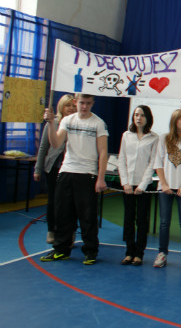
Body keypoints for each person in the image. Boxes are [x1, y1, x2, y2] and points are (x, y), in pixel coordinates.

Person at [40, 94, 108, 265]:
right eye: (82, 103)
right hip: (66, 171)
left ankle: (90, 251)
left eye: (88, 103)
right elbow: (56, 143)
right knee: (62, 214)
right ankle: (61, 250)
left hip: (88, 174)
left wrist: (100, 178)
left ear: (93, 103)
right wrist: (51, 123)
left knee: (87, 216)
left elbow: (103, 153)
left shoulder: (98, 123)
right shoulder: (67, 120)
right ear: (76, 102)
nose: (84, 106)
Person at [153, 109, 181, 269]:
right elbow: (158, 164)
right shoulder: (164, 139)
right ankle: (162, 253)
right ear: (175, 121)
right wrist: (164, 184)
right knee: (164, 222)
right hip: (165, 188)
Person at [118, 105, 159, 266]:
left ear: (148, 118)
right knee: (128, 218)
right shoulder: (126, 135)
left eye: (142, 115)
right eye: (136, 115)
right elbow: (122, 159)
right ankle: (129, 252)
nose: (139, 118)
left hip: (144, 187)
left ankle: (139, 253)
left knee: (142, 220)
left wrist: (142, 185)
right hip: (128, 185)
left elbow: (152, 163)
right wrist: (125, 182)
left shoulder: (154, 138)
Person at [33, 94, 76, 244]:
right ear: (61, 107)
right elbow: (43, 147)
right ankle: (51, 230)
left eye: (73, 105)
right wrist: (37, 169)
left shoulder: (78, 124)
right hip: (53, 167)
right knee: (54, 200)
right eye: (67, 105)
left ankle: (70, 231)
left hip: (71, 167)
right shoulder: (54, 123)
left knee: (70, 202)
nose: (71, 108)